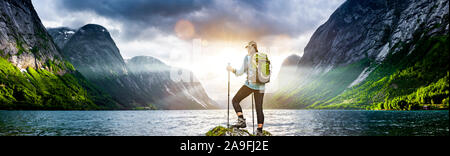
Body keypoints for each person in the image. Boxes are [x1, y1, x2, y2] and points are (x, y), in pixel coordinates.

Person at [226, 41, 266, 136]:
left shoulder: (247, 58)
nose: (247, 49)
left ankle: (241, 121)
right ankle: (259, 131)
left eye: (248, 47)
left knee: (235, 100)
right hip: (261, 86)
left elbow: (240, 72)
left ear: (252, 47)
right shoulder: (263, 57)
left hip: (250, 85)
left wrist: (231, 69)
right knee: (259, 109)